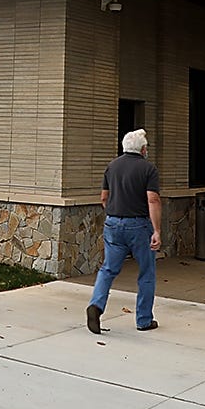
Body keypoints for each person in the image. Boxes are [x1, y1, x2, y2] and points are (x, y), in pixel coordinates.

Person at [87, 128, 161, 333]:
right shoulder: (148, 169)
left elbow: (103, 197)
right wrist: (156, 230)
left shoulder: (112, 167)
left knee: (108, 269)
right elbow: (153, 199)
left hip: (113, 223)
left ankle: (96, 305)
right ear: (143, 149)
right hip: (139, 226)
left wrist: (113, 214)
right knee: (146, 272)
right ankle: (144, 320)